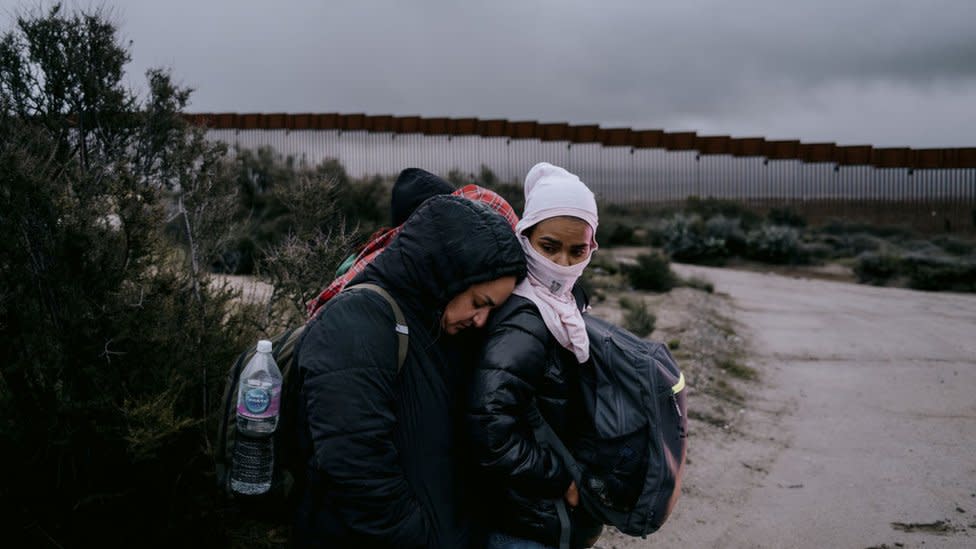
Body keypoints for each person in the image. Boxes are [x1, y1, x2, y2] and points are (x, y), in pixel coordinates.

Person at [294, 194, 527, 548]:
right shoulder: (356, 321)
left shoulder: (432, 329)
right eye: (479, 303)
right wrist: (419, 536)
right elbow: (355, 467)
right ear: (444, 274)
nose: (480, 320)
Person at [467, 163, 603, 549]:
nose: (562, 264)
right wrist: (560, 479)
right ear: (525, 236)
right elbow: (490, 431)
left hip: (541, 516)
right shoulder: (525, 320)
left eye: (577, 250)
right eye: (549, 247)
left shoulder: (562, 304)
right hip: (523, 523)